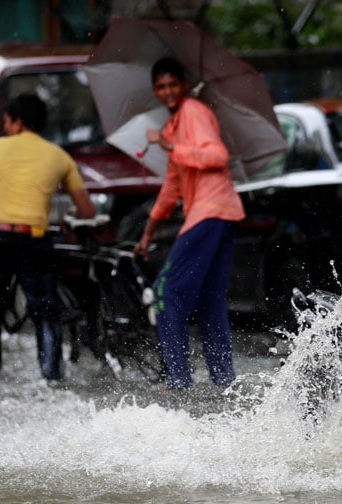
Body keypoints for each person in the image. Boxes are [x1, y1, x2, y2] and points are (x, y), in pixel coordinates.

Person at [133, 57, 246, 391]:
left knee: (165, 294)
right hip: (223, 214)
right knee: (210, 301)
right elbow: (173, 186)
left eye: (172, 84)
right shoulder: (174, 124)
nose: (167, 91)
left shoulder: (194, 112)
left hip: (211, 212)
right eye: (161, 86)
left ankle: (178, 381)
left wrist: (170, 145)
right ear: (155, 90)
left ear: (182, 85)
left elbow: (217, 157)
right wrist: (149, 230)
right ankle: (224, 383)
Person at [0, 93, 96, 381]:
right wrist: (67, 218)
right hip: (33, 235)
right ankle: (52, 378)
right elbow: (87, 210)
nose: (5, 128)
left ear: (17, 122)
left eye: (7, 122)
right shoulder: (60, 156)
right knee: (45, 311)